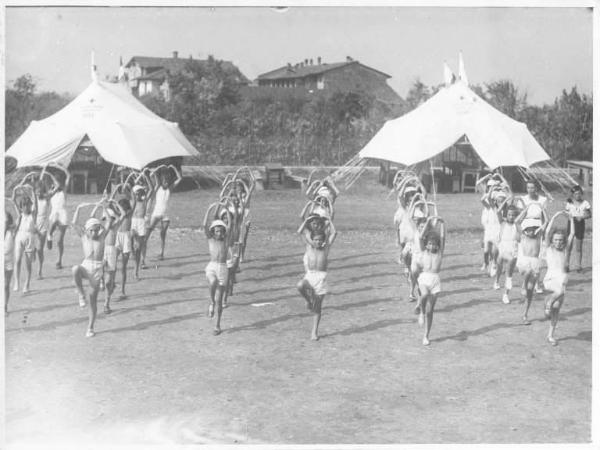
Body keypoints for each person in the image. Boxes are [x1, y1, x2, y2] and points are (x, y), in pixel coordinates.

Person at [71, 203, 115, 337]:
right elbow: (73, 223)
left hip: (97, 271)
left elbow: (109, 221)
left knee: (93, 300)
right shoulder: (84, 237)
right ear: (87, 230)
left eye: (96, 230)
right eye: (91, 230)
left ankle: (90, 328)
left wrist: (103, 207)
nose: (94, 232)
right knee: (75, 269)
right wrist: (78, 208)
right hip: (86, 266)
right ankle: (80, 294)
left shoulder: (102, 237)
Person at [297, 219, 337, 341]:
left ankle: (314, 332)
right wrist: (307, 221)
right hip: (310, 275)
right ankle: (309, 300)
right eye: (315, 240)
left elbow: (334, 233)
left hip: (321, 278)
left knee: (317, 308)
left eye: (320, 240)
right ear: (312, 240)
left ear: (323, 240)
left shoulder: (326, 248)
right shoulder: (308, 247)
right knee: (300, 285)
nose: (318, 242)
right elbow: (299, 232)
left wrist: (330, 221)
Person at [543, 212, 575, 346]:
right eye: (555, 240)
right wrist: (554, 218)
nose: (558, 242)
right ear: (552, 240)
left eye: (561, 240)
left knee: (557, 309)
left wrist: (571, 219)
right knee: (559, 293)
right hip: (550, 280)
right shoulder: (549, 249)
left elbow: (572, 234)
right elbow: (547, 233)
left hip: (562, 280)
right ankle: (548, 303)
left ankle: (551, 335)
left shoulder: (566, 250)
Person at [414, 216, 445, 346]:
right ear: (426, 244)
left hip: (435, 280)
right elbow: (421, 237)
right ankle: (419, 310)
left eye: (434, 244)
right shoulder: (423, 251)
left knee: (430, 310)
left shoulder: (439, 253)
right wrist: (427, 222)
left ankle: (426, 335)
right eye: (430, 243)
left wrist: (442, 224)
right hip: (424, 277)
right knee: (424, 294)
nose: (432, 246)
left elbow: (443, 238)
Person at [203, 203, 232, 336]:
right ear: (213, 232)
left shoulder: (226, 241)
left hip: (223, 268)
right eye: (216, 231)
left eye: (221, 231)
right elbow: (204, 225)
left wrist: (225, 208)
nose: (219, 233)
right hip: (212, 266)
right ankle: (211, 301)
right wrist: (210, 209)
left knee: (220, 301)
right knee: (212, 281)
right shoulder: (210, 240)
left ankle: (217, 325)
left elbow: (230, 225)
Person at [516, 204, 547, 324]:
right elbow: (517, 221)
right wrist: (525, 210)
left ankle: (525, 315)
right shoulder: (523, 236)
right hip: (524, 261)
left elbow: (546, 222)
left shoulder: (538, 236)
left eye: (533, 229)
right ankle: (523, 285)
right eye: (528, 229)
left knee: (530, 291)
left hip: (535, 262)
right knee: (527, 272)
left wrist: (542, 209)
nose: (531, 231)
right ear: (525, 230)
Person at [144, 165, 182, 263]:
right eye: (164, 180)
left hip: (166, 214)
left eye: (167, 180)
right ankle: (142, 253)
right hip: (156, 213)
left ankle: (161, 254)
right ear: (161, 180)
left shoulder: (170, 188)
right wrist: (154, 169)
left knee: (163, 234)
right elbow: (154, 175)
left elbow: (180, 178)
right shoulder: (157, 187)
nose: (166, 182)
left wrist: (173, 167)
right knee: (147, 232)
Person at [94, 200, 125, 314]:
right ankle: (105, 283)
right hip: (101, 251)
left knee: (108, 281)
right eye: (106, 219)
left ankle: (106, 304)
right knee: (100, 274)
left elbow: (123, 214)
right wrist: (100, 205)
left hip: (111, 252)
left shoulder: (115, 226)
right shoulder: (100, 227)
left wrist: (115, 202)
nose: (108, 220)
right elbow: (92, 216)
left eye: (110, 218)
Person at [111, 183, 136, 300]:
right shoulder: (117, 214)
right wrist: (116, 188)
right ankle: (113, 284)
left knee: (124, 267)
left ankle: (122, 291)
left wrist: (129, 188)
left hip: (126, 238)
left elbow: (133, 199)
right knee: (113, 264)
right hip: (118, 238)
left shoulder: (128, 213)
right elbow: (110, 200)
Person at [493, 196, 519, 304]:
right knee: (499, 269)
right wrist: (506, 200)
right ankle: (497, 280)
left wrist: (522, 203)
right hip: (502, 250)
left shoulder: (517, 226)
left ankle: (505, 294)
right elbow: (498, 211)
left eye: (513, 215)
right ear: (506, 215)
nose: (511, 217)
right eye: (509, 214)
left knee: (509, 274)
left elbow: (524, 215)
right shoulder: (502, 222)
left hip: (513, 251)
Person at [12, 185, 38, 294]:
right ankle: (17, 281)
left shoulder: (33, 215)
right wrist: (15, 190)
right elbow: (13, 200)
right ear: (21, 207)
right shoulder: (20, 215)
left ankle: (27, 284)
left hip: (30, 238)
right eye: (24, 205)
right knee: (17, 260)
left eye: (28, 205)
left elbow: (36, 204)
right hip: (20, 237)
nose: (26, 207)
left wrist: (33, 191)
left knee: (28, 263)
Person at [131, 172, 154, 279]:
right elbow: (128, 188)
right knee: (130, 240)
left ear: (142, 194)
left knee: (139, 247)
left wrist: (146, 175)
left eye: (139, 194)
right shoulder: (132, 201)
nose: (137, 195)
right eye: (136, 193)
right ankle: (132, 253)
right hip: (133, 222)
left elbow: (152, 188)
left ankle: (136, 269)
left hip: (141, 223)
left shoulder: (144, 201)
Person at [46, 165, 71, 269]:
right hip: (54, 213)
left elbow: (68, 175)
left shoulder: (64, 189)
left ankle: (59, 261)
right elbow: (47, 176)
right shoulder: (51, 190)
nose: (57, 183)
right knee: (54, 219)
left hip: (63, 214)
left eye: (58, 181)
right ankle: (49, 235)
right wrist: (48, 167)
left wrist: (61, 167)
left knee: (59, 241)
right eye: (56, 181)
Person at [565, 185, 591, 272]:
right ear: (573, 194)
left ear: (581, 194)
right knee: (569, 246)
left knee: (579, 247)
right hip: (571, 223)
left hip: (580, 224)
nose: (578, 195)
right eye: (575, 194)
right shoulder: (569, 203)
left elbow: (589, 214)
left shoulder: (585, 203)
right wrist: (570, 217)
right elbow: (566, 213)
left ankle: (578, 266)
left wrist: (582, 217)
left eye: (579, 193)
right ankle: (566, 265)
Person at [5, 211, 17, 313]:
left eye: (6, 220)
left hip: (9, 262)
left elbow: (20, 218)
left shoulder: (12, 232)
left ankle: (5, 306)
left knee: (6, 285)